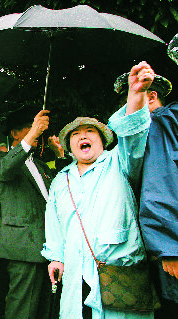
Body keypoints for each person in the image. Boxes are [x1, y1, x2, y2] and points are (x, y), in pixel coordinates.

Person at [41, 61, 154, 319]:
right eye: (76, 134)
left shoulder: (119, 162)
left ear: (102, 140)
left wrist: (135, 95)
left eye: (90, 131)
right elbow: (54, 223)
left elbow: (134, 138)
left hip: (118, 270)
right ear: (69, 146)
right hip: (75, 272)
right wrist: (56, 258)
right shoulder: (61, 179)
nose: (83, 136)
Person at [115, 67, 178, 316]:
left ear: (150, 97)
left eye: (130, 103)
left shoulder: (161, 124)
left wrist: (169, 247)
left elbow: (160, 187)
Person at [0, 108, 64, 319]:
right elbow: (3, 171)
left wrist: (59, 154)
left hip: (47, 247)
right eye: (30, 128)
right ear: (15, 133)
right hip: (23, 246)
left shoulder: (39, 163)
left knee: (44, 307)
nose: (38, 133)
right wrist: (32, 135)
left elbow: (61, 186)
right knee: (22, 308)